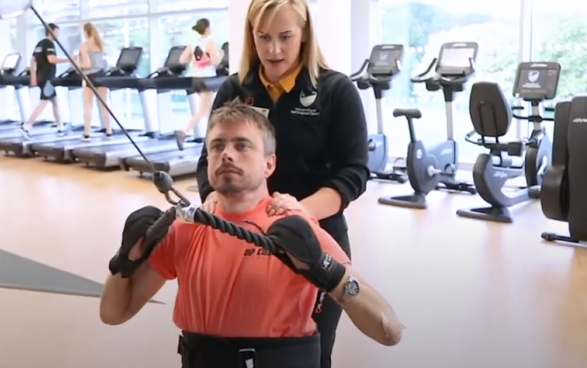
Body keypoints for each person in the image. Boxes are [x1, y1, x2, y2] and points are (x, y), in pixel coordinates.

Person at [99, 100, 403, 368]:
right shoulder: (186, 230)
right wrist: (124, 261)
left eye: (242, 145)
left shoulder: (293, 226)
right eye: (217, 146)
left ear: (269, 164)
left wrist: (327, 271)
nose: (227, 154)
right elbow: (114, 313)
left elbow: (389, 331)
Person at [195, 0, 371, 368]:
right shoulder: (235, 89)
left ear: (305, 34)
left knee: (309, 353)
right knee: (243, 347)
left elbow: (354, 173)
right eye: (264, 38)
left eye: (286, 37)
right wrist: (210, 197)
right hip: (241, 241)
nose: (274, 50)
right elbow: (205, 159)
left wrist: (296, 213)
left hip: (314, 238)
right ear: (251, 37)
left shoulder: (335, 91)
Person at [175, 18, 224, 151]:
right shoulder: (210, 42)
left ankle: (212, 139)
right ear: (207, 28)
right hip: (207, 79)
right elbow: (215, 62)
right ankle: (183, 132)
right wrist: (221, 54)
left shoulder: (193, 43)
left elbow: (181, 60)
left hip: (195, 79)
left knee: (208, 111)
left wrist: (194, 59)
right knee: (203, 111)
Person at [20, 23, 70, 139]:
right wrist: (69, 59)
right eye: (56, 32)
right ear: (51, 31)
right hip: (47, 79)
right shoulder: (49, 43)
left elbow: (32, 60)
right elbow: (51, 59)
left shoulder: (40, 43)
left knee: (55, 104)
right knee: (43, 104)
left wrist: (33, 76)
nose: (57, 35)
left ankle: (60, 128)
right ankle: (26, 126)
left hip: (42, 78)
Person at [79, 22, 111, 141]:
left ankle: (87, 134)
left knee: (88, 106)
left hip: (90, 76)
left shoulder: (84, 45)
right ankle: (109, 132)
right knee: (104, 105)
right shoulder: (100, 44)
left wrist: (77, 63)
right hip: (101, 75)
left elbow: (87, 64)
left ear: (85, 32)